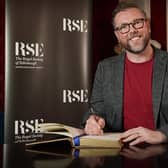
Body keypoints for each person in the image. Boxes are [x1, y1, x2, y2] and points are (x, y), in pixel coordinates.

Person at [82, 2, 168, 146]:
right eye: (123, 27)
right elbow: (97, 110)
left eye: (137, 23)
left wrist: (161, 135)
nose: (132, 30)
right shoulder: (105, 68)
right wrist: (93, 120)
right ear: (117, 35)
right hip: (118, 155)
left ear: (148, 26)